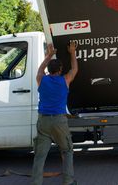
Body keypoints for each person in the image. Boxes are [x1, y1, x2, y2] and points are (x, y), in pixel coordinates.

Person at [31, 42, 78, 185]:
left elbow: (40, 69)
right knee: (67, 151)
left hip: (43, 121)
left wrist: (49, 55)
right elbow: (74, 69)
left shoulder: (41, 79)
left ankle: (36, 183)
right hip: (59, 121)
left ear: (49, 70)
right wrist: (72, 52)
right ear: (60, 70)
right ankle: (68, 182)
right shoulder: (65, 80)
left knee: (40, 156)